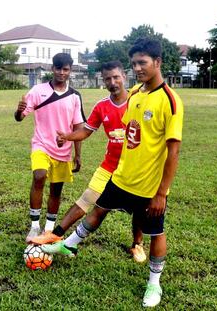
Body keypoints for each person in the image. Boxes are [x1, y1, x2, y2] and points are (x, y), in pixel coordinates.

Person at [42, 38, 183, 308]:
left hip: (149, 185)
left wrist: (162, 192)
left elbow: (173, 152)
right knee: (97, 210)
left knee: (156, 233)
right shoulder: (136, 95)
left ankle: (154, 284)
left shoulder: (170, 101)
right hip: (120, 176)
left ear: (158, 62)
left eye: (142, 62)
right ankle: (67, 243)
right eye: (134, 64)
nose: (138, 68)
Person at [29, 60, 146, 263]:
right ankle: (55, 234)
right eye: (108, 78)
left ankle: (137, 244)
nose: (112, 82)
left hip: (136, 167)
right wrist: (68, 136)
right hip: (110, 165)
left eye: (116, 77)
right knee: (87, 199)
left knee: (139, 208)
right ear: (103, 80)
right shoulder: (102, 106)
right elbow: (86, 130)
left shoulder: (139, 101)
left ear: (124, 77)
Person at [14, 53, 85, 243]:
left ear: (71, 70)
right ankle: (35, 226)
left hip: (63, 150)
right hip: (41, 144)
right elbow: (19, 117)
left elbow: (78, 128)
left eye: (66, 69)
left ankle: (49, 228)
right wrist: (19, 110)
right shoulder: (38, 90)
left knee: (56, 190)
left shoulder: (75, 97)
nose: (61, 72)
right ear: (52, 68)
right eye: (58, 68)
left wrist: (78, 155)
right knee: (39, 176)